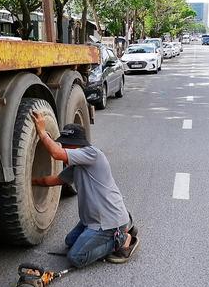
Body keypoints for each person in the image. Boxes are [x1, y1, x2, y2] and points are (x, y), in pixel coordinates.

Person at [30, 112, 139, 267]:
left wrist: (42, 132)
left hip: (107, 221)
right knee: (69, 242)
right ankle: (118, 231)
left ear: (78, 144)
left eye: (67, 144)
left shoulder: (93, 154)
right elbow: (53, 180)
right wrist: (29, 182)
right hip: (92, 220)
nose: (64, 146)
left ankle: (121, 239)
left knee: (76, 257)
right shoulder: (77, 166)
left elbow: (56, 153)